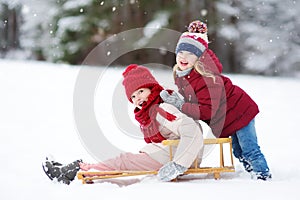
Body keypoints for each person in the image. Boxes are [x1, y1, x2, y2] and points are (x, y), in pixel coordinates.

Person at [42, 64, 204, 185]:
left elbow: (192, 131)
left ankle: (78, 170)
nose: (138, 98)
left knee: (124, 161)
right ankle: (80, 169)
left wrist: (178, 165)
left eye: (140, 91)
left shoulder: (162, 110)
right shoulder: (154, 110)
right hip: (170, 153)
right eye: (133, 97)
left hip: (176, 157)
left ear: (151, 88)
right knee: (125, 161)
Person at [160, 20, 271, 180]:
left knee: (249, 149)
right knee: (238, 151)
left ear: (199, 58)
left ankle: (263, 176)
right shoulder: (182, 75)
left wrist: (181, 105)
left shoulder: (206, 78)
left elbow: (205, 110)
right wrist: (177, 101)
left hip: (240, 111)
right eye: (181, 53)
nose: (184, 57)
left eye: (190, 53)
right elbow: (193, 100)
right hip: (229, 117)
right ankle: (251, 173)